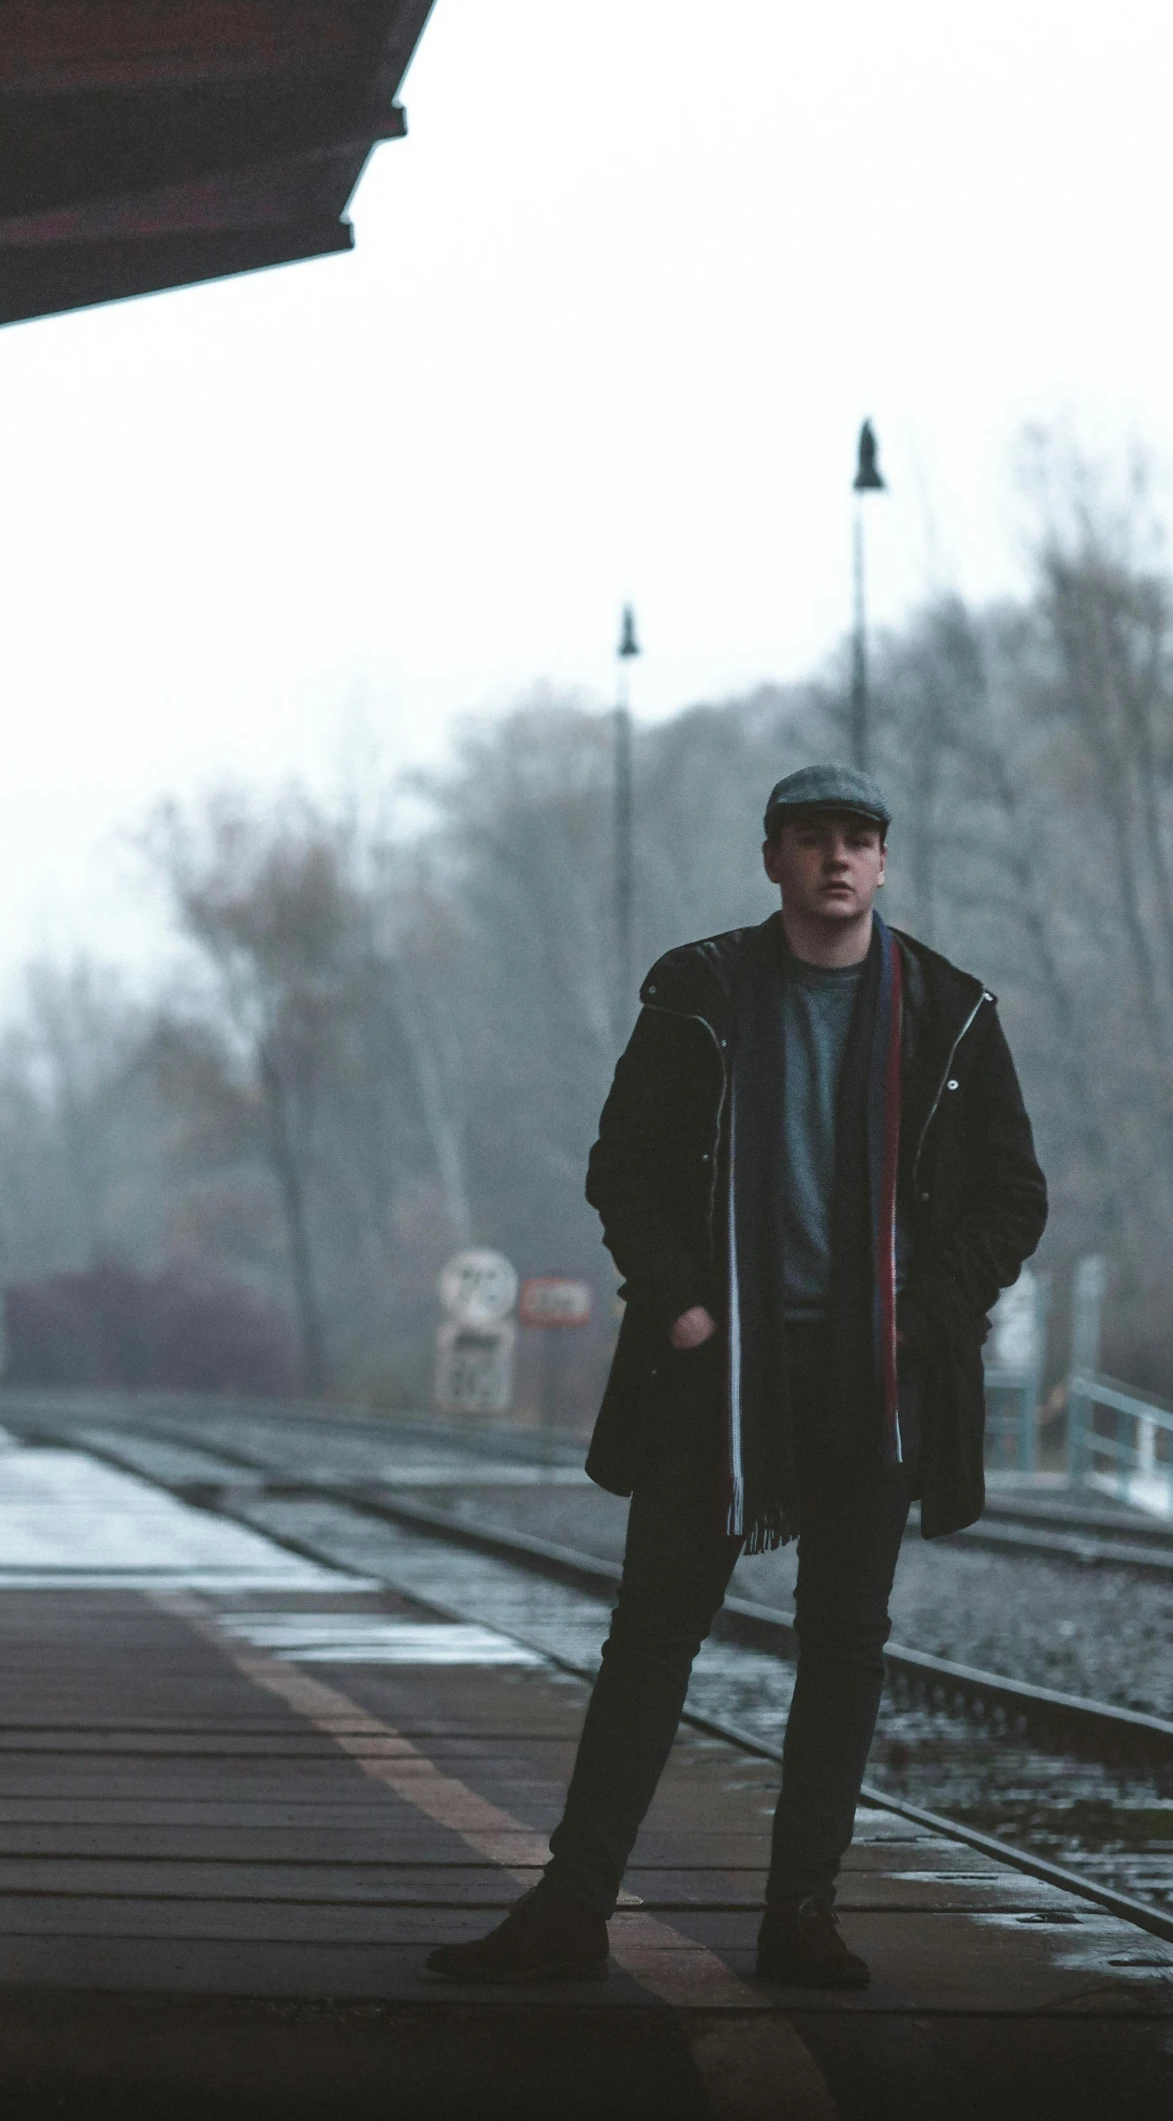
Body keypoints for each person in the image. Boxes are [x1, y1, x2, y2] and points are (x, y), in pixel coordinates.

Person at [427, 764, 1047, 1990]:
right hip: (723, 1365)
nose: (835, 858)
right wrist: (683, 1305)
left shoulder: (950, 1009)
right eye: (810, 838)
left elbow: (1009, 1196)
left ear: (884, 863)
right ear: (771, 858)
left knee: (844, 1644)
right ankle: (572, 1906)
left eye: (857, 839)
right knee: (653, 1632)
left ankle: (799, 1914)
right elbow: (626, 1167)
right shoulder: (701, 989)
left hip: (875, 1368)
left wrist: (925, 1318)